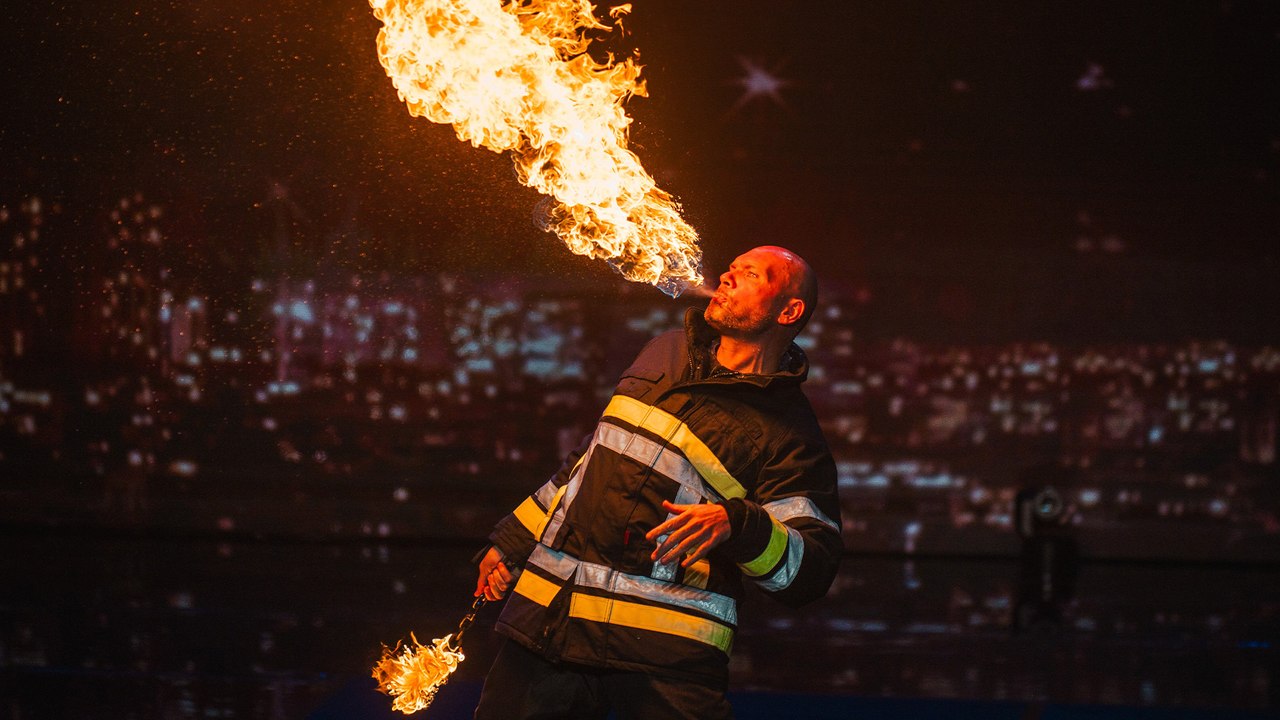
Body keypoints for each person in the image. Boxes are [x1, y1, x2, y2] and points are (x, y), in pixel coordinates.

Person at [472, 246, 843, 720]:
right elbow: (593, 458)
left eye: (749, 275)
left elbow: (811, 568)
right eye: (729, 269)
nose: (727, 277)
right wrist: (513, 539)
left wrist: (738, 525)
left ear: (788, 310)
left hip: (663, 662)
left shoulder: (791, 435)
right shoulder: (664, 350)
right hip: (550, 628)